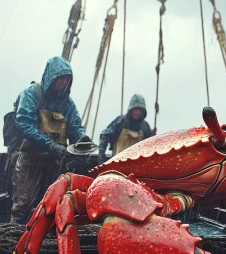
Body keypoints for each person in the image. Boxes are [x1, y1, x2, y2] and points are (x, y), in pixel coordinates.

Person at [10, 56, 92, 224]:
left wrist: (82, 140)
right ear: (51, 77)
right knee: (23, 204)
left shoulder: (68, 104)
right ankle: (13, 240)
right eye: (60, 77)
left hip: (55, 163)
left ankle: (46, 244)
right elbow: (24, 124)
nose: (63, 82)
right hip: (30, 161)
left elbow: (75, 127)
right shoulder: (31, 95)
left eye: (67, 79)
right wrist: (51, 146)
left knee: (52, 205)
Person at [98, 94, 154, 164]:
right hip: (117, 163)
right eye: (135, 109)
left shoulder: (145, 126)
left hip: (137, 165)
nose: (138, 112)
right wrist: (101, 157)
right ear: (131, 109)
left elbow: (152, 145)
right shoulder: (120, 121)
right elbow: (105, 135)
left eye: (140, 110)